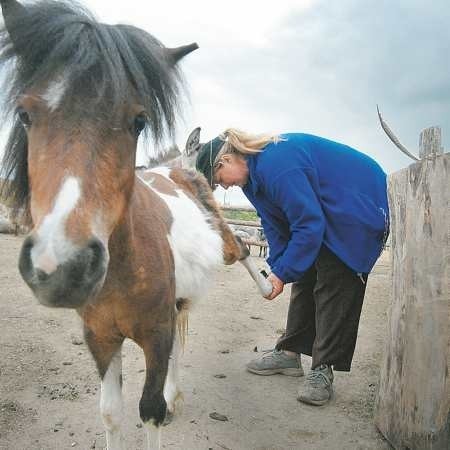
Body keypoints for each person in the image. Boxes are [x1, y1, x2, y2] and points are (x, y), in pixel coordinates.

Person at [195, 129, 389, 406]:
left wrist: (282, 272)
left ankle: (323, 368)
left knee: (336, 277)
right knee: (304, 272)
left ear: (225, 160)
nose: (223, 187)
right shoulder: (251, 181)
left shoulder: (277, 165)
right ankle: (290, 353)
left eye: (218, 180)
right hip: (325, 210)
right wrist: (279, 269)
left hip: (356, 204)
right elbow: (275, 225)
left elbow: (309, 225)